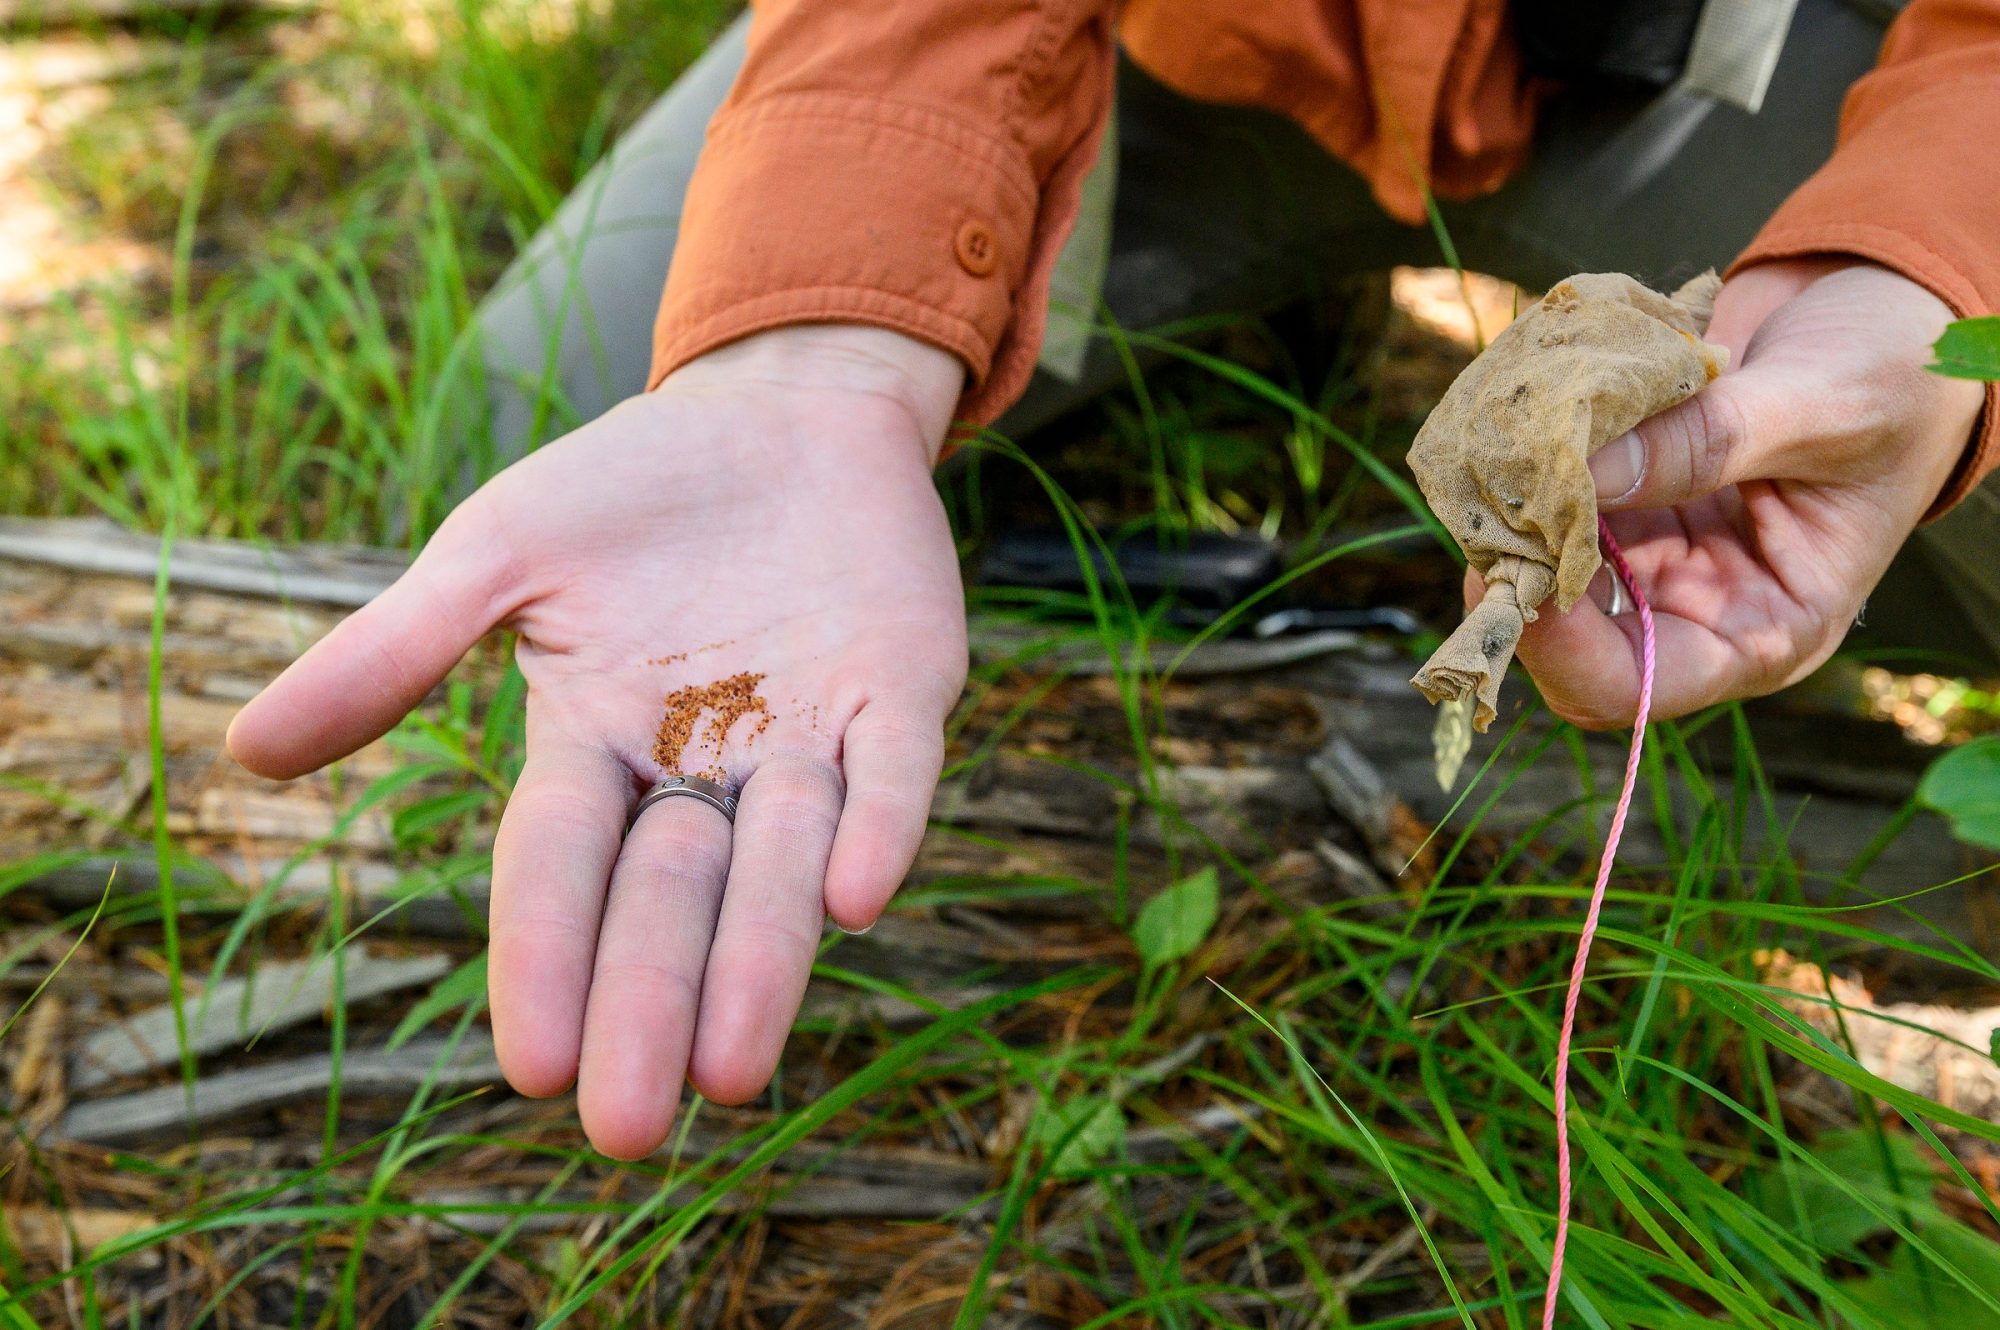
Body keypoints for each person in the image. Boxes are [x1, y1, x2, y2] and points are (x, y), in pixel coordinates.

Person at [226, 0, 2000, 1159]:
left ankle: (1916, 888)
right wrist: (811, 354)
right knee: (537, 423)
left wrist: (1921, 262)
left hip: (1805, 55)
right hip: (1194, 39)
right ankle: (1274, 347)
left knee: (1928, 376)